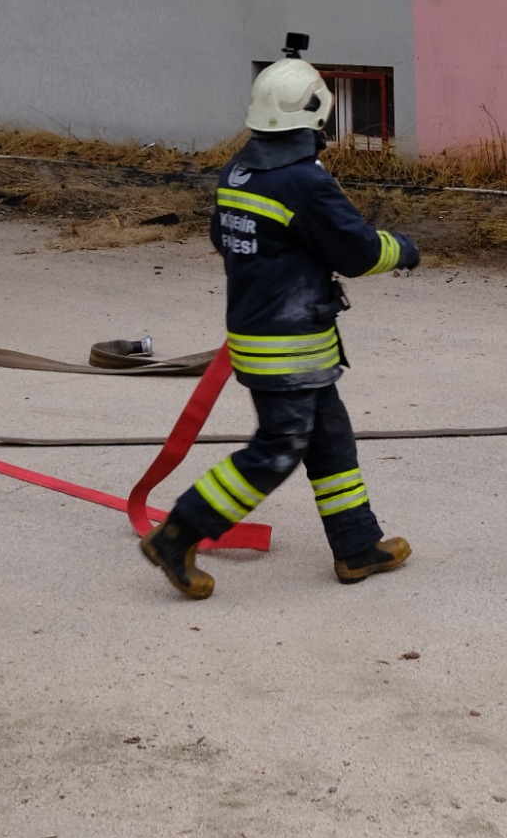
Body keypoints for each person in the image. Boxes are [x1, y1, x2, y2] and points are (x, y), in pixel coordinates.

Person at [140, 44, 420, 600]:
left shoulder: (239, 170)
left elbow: (224, 238)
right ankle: (178, 532)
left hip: (271, 334)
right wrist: (405, 249)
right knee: (277, 449)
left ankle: (357, 546)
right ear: (316, 115)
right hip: (287, 347)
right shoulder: (305, 183)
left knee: (330, 442)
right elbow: (360, 254)